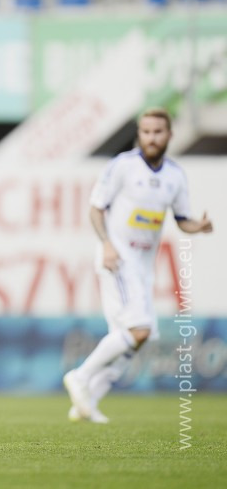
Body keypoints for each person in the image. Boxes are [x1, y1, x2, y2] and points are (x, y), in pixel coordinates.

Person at [64, 108, 213, 423]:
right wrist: (107, 244)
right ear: (139, 135)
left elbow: (182, 219)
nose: (151, 138)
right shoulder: (123, 166)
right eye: (146, 132)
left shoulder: (174, 175)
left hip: (144, 266)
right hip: (118, 258)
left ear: (169, 135)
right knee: (139, 330)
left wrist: (198, 227)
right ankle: (80, 377)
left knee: (133, 338)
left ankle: (87, 403)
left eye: (158, 132)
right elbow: (96, 209)